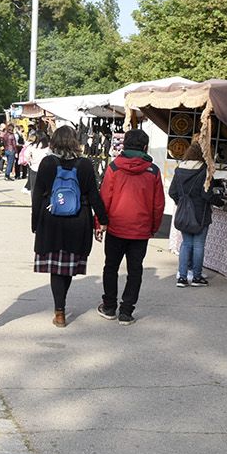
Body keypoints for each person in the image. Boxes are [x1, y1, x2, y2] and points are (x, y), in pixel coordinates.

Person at [31, 125, 108, 329]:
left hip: (51, 220)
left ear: (54, 141)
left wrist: (35, 222)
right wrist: (103, 219)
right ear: (75, 141)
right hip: (78, 220)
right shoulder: (84, 164)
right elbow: (93, 194)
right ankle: (61, 306)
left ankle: (59, 311)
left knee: (56, 268)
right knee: (67, 268)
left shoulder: (47, 162)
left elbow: (37, 193)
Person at [95, 127, 165, 324]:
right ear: (145, 147)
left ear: (125, 144)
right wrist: (154, 226)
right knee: (135, 270)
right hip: (141, 229)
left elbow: (104, 198)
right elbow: (158, 204)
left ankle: (109, 306)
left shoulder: (114, 167)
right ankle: (126, 311)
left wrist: (100, 223)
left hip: (116, 227)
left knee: (111, 267)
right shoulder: (153, 171)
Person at [170, 141, 214, 287]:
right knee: (199, 245)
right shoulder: (205, 170)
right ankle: (196, 277)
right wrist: (220, 201)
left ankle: (182, 278)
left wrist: (181, 202)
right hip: (200, 213)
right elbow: (207, 195)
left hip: (184, 213)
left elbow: (172, 192)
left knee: (186, 244)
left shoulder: (179, 169)